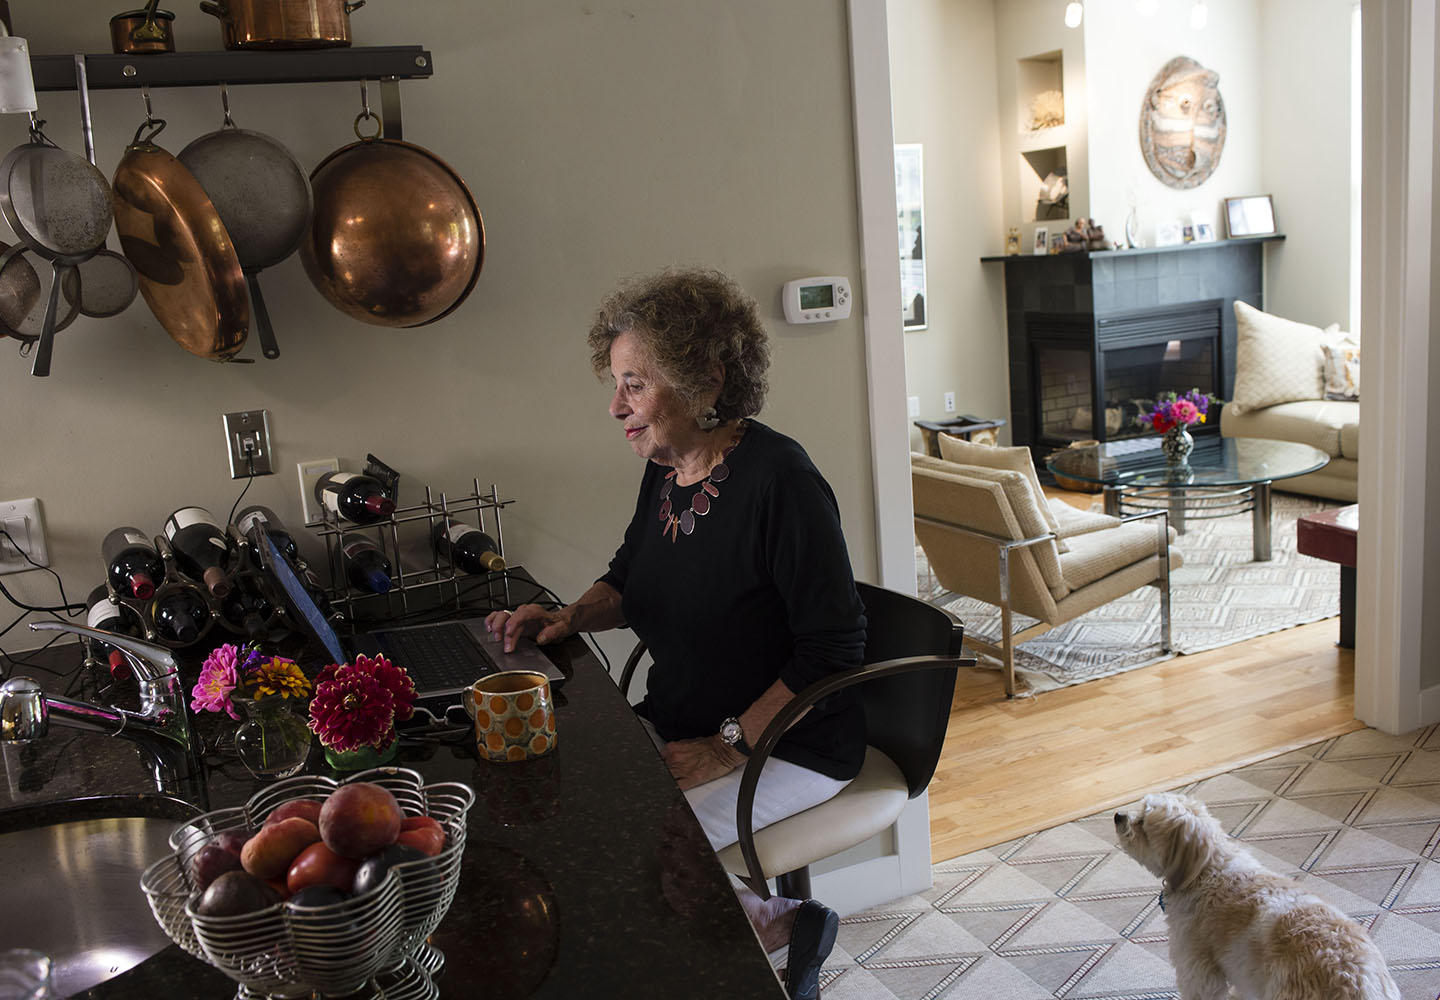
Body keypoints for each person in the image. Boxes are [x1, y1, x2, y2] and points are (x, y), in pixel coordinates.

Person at [486, 266, 865, 1000]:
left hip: (793, 742)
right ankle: (776, 922)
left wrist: (729, 746)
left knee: (640, 838)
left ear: (705, 379)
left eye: (635, 383)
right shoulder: (667, 470)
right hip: (683, 720)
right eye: (617, 382)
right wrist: (570, 616)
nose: (614, 405)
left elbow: (833, 651)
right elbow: (630, 576)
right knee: (583, 804)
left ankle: (761, 934)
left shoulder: (780, 480)